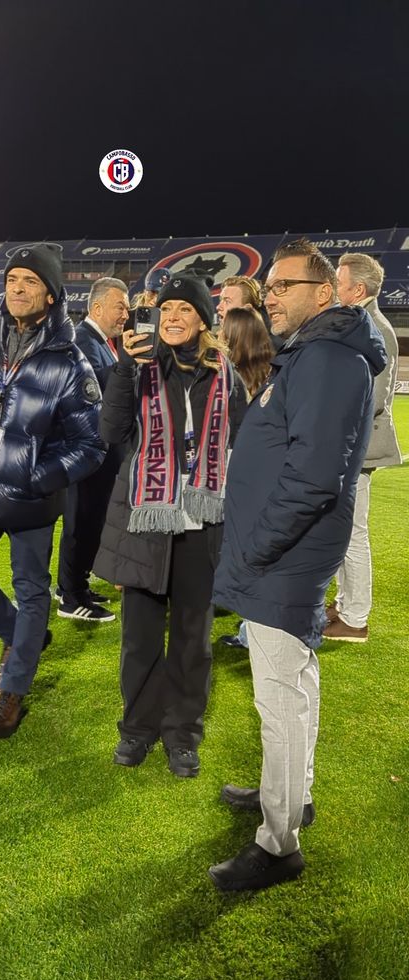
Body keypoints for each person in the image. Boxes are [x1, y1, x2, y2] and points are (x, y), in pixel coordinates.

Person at [209, 238, 386, 891]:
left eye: (284, 286)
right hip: (286, 549)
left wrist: (255, 549)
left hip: (284, 553)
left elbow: (313, 479)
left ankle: (278, 844)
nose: (271, 296)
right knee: (295, 684)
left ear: (325, 294)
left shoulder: (328, 359)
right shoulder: (315, 355)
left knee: (279, 694)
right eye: (270, 287)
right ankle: (290, 795)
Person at [0, 243, 106, 740]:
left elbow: (90, 445)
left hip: (30, 502)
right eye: (12, 279)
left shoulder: (70, 363)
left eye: (30, 281)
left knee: (32, 591)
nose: (18, 288)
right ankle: (19, 638)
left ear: (51, 295)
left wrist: (35, 477)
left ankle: (11, 692)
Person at [93, 273, 247, 777]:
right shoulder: (138, 368)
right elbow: (110, 432)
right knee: (139, 636)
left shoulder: (227, 374)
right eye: (166, 310)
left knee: (191, 638)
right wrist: (123, 369)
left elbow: (243, 444)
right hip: (144, 519)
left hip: (203, 521)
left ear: (203, 319)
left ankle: (182, 733)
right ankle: (136, 728)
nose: (172, 318)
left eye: (184, 310)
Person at [323, 253, 402, 642]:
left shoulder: (376, 327)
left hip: (359, 447)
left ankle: (355, 619)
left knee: (352, 534)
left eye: (338, 281)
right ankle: (345, 603)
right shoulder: (360, 321)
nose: (333, 288)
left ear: (357, 289)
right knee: (342, 530)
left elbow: (374, 399)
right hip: (349, 445)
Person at [56, 277, 129, 622]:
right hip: (87, 449)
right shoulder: (82, 339)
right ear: (97, 307)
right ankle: (72, 596)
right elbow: (95, 388)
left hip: (98, 449)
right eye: (121, 306)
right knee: (80, 519)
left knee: (89, 518)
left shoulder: (100, 341)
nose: (126, 314)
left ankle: (73, 584)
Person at [216, 307, 275, 649]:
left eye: (224, 333)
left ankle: (251, 633)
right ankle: (250, 630)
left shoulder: (231, 378)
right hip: (261, 479)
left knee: (244, 556)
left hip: (236, 476)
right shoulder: (271, 372)